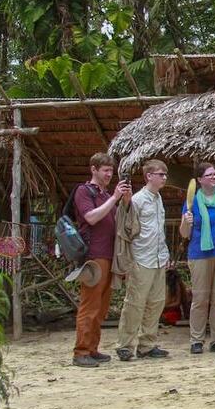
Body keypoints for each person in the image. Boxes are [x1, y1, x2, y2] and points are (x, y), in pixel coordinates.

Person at [72, 153, 131, 367]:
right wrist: (114, 198)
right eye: (105, 170)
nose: (108, 174)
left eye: (111, 171)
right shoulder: (83, 191)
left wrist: (124, 200)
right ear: (94, 169)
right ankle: (81, 352)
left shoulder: (105, 194)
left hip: (109, 255)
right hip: (93, 255)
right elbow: (90, 217)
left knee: (101, 306)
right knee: (89, 304)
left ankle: (92, 348)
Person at [115, 159, 171, 361]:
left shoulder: (158, 198)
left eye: (165, 174)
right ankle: (125, 345)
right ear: (149, 176)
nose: (164, 178)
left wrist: (165, 253)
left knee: (156, 302)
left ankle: (147, 344)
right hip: (141, 258)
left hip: (158, 258)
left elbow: (159, 230)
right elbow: (126, 225)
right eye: (160, 174)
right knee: (135, 303)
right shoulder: (137, 199)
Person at [180, 163, 215, 354]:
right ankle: (196, 340)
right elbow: (184, 234)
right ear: (199, 180)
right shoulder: (192, 201)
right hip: (200, 254)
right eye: (209, 175)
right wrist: (186, 222)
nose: (214, 177)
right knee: (200, 298)